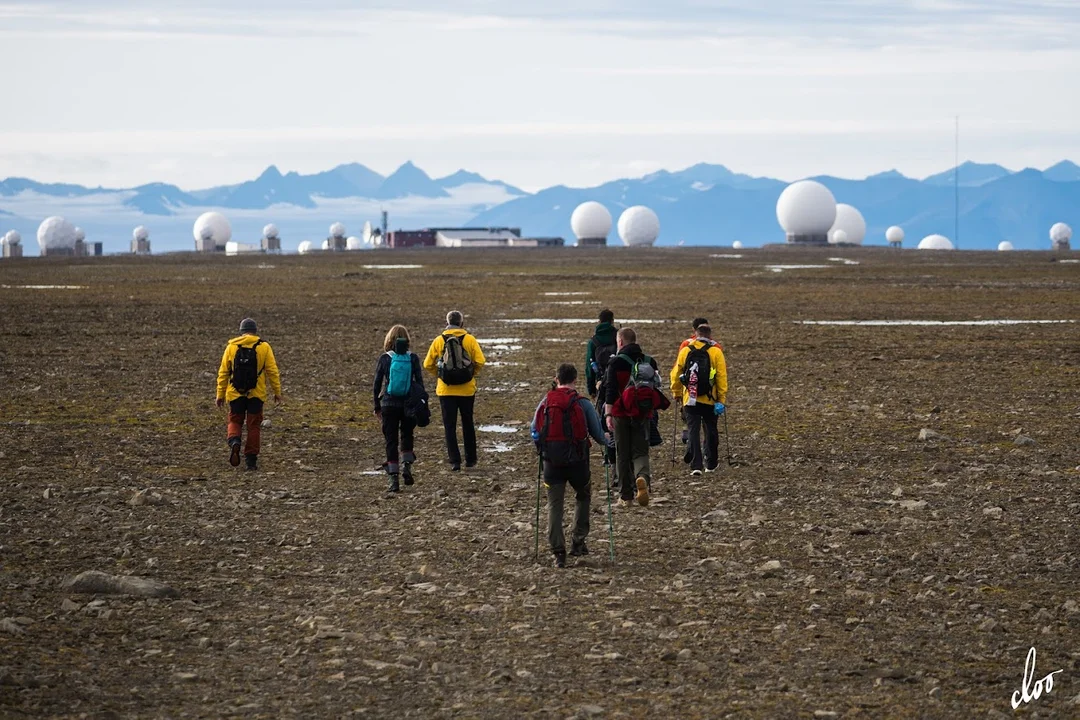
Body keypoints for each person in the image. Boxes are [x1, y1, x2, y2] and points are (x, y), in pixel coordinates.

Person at [530, 363, 609, 568]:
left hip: (551, 462)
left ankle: (558, 552)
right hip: (578, 461)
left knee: (555, 505)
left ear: (556, 379)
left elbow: (534, 429)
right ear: (575, 380)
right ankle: (578, 540)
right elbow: (598, 435)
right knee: (583, 496)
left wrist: (542, 448)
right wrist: (608, 439)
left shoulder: (547, 401)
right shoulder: (582, 403)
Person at [215, 318, 282, 471]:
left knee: (235, 420)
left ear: (241, 331)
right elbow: (272, 372)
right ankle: (251, 460)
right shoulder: (264, 347)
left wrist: (220, 394)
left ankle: (234, 441)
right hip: (256, 394)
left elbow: (223, 372)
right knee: (254, 426)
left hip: (235, 392)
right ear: (255, 330)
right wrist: (277, 392)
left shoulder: (231, 347)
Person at [604, 327, 660, 507]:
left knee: (622, 453)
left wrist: (608, 414)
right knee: (641, 451)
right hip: (643, 413)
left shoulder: (616, 363)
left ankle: (626, 496)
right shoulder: (650, 361)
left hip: (620, 413)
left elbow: (610, 392)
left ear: (620, 342)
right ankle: (642, 477)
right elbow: (656, 388)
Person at [423, 311, 486, 471]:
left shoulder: (439, 340)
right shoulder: (470, 339)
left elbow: (427, 364)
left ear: (447, 322)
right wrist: (470, 374)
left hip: (446, 390)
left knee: (449, 426)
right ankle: (471, 460)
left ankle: (455, 461)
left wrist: (441, 375)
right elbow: (480, 361)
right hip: (467, 389)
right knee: (468, 424)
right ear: (461, 323)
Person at [373, 325, 426, 493]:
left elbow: (376, 385)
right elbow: (419, 384)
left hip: (389, 404)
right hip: (409, 404)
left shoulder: (385, 358)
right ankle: (407, 467)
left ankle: (393, 480)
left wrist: (377, 406)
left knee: (391, 441)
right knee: (407, 435)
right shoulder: (413, 358)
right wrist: (421, 404)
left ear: (389, 339)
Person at [670, 323, 728, 476]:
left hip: (690, 398)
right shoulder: (716, 352)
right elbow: (721, 377)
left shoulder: (685, 350)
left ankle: (696, 466)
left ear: (695, 334)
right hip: (711, 399)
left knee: (693, 431)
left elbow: (676, 374)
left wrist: (677, 393)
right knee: (711, 430)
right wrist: (721, 399)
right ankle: (711, 463)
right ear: (710, 336)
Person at [586, 309, 619, 476]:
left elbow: (588, 368)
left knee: (604, 421)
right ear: (612, 321)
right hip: (619, 384)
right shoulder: (618, 336)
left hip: (601, 385)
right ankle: (618, 458)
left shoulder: (593, 341)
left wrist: (591, 388)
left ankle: (609, 456)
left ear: (599, 321)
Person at [678, 318, 711, 449]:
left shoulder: (686, 345)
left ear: (694, 330)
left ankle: (691, 448)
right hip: (709, 393)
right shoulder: (714, 347)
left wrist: (677, 391)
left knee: (691, 422)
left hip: (689, 391)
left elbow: (679, 368)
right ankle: (707, 448)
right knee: (708, 424)